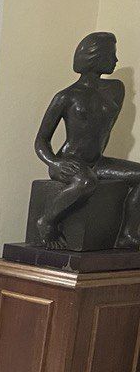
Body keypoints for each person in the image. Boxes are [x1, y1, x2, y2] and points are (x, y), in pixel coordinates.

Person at [32, 31, 140, 250]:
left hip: (97, 162)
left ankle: (127, 235)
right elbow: (41, 140)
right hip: (68, 161)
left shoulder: (116, 90)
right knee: (85, 182)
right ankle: (47, 221)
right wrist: (55, 163)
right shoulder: (66, 96)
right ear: (96, 56)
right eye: (112, 54)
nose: (116, 60)